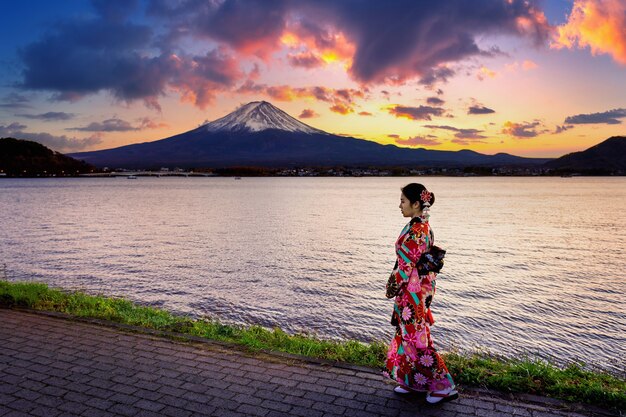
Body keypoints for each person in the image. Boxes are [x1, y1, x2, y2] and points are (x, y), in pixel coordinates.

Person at [383, 183, 457, 404]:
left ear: (416, 204)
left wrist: (391, 287)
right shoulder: (420, 226)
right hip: (416, 291)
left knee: (417, 339)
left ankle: (444, 386)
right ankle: (414, 382)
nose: (400, 205)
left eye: (403, 201)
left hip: (413, 293)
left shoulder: (417, 231)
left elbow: (405, 267)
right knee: (408, 337)